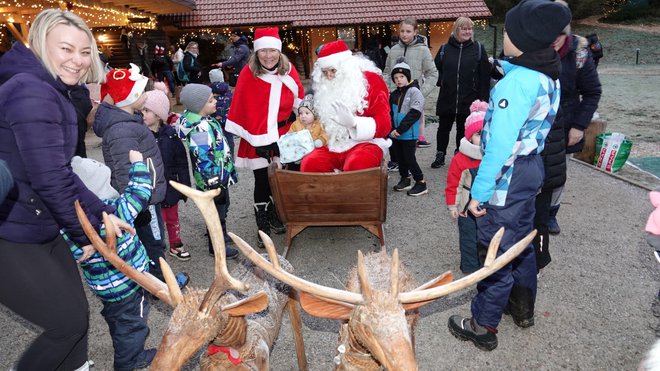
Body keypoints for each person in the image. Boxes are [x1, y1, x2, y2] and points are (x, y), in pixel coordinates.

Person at [0, 9, 131, 370]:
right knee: (65, 325)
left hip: (37, 221)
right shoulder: (32, 91)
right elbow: (50, 178)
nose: (77, 60)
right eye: (66, 49)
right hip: (11, 227)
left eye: (85, 51)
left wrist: (101, 214)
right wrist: (87, 231)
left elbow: (62, 171)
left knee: (76, 321)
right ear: (41, 44)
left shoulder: (49, 88)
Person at [447, 0, 572, 351]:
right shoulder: (546, 73)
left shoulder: (516, 85)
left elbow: (499, 148)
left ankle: (483, 324)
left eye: (510, 31)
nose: (504, 37)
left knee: (496, 250)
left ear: (523, 38)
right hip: (531, 169)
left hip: (508, 174)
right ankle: (522, 308)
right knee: (520, 242)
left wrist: (478, 194)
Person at [65, 152, 157, 370]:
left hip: (106, 289)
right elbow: (140, 191)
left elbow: (72, 250)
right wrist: (137, 164)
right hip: (131, 285)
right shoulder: (116, 212)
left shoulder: (70, 224)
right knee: (134, 326)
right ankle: (129, 361)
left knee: (120, 322)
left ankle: (128, 346)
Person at [94, 63, 174, 283]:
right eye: (141, 91)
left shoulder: (128, 122)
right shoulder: (123, 129)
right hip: (144, 200)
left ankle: (154, 277)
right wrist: (138, 205)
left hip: (146, 196)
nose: (146, 95)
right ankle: (161, 282)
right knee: (154, 241)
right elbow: (124, 170)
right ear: (131, 97)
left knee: (150, 239)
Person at [225, 27, 304, 247]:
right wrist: (255, 139)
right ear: (256, 53)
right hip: (257, 137)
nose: (268, 55)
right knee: (262, 180)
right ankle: (263, 223)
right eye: (263, 51)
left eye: (272, 51)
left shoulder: (289, 72)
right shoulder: (248, 76)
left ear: (279, 51)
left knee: (284, 178)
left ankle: (279, 213)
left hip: (285, 135)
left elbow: (300, 103)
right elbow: (242, 109)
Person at [546, 12, 602, 235]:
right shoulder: (532, 48)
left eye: (558, 33)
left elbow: (592, 92)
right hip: (536, 122)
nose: (553, 38)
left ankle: (551, 212)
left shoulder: (579, 54)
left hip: (567, 122)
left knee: (558, 171)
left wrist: (579, 126)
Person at [300, 40, 391, 173]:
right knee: (309, 163)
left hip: (366, 142)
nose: (329, 76)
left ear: (346, 67)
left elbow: (385, 124)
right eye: (325, 72)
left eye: (333, 70)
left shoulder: (371, 81)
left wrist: (354, 123)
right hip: (334, 144)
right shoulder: (325, 88)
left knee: (356, 165)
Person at [177, 83, 239, 258]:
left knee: (222, 205)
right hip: (213, 179)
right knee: (216, 210)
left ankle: (220, 234)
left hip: (218, 175)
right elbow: (203, 156)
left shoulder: (204, 121)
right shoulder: (200, 128)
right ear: (199, 106)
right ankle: (217, 245)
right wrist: (213, 180)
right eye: (211, 100)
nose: (216, 102)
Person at [432, 16, 491, 169]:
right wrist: (443, 82)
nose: (467, 31)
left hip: (469, 98)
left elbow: (485, 76)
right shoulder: (445, 49)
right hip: (448, 96)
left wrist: (483, 99)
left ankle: (460, 154)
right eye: (464, 28)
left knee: (463, 128)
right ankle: (440, 154)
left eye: (470, 28)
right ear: (456, 30)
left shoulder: (478, 49)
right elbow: (435, 69)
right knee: (443, 127)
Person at [142, 89, 192, 261]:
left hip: (170, 185)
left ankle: (175, 243)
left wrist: (184, 186)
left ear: (158, 115)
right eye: (141, 110)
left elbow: (181, 162)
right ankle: (155, 249)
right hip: (150, 187)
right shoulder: (139, 135)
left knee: (171, 217)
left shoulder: (171, 135)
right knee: (154, 220)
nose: (143, 114)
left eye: (147, 111)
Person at [444, 100, 487, 274]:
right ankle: (470, 266)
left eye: (486, 133)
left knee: (487, 235)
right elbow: (453, 184)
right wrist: (453, 206)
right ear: (469, 137)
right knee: (469, 236)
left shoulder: (493, 156)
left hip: (488, 204)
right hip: (466, 204)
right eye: (478, 134)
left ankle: (487, 263)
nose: (483, 138)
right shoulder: (460, 159)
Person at [384, 18, 438, 150]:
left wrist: (420, 93)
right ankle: (395, 161)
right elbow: (386, 72)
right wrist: (388, 90)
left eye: (408, 31)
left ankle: (408, 164)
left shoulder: (423, 50)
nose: (404, 34)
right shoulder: (394, 50)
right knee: (393, 129)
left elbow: (433, 73)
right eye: (402, 31)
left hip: (411, 100)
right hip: (394, 98)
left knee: (409, 135)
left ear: (415, 32)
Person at [389, 57, 428, 196]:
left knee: (409, 158)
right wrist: (392, 129)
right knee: (400, 158)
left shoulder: (414, 92)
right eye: (396, 77)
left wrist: (400, 130)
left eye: (402, 76)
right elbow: (390, 112)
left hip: (408, 133)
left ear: (408, 77)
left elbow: (414, 114)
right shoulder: (394, 94)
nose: (399, 79)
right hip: (396, 133)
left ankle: (421, 182)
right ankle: (405, 179)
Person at [281, 95, 328, 170]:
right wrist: (287, 138)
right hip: (299, 152)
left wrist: (321, 140)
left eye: (307, 113)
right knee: (293, 164)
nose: (303, 116)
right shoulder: (296, 124)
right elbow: (290, 133)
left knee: (314, 163)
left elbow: (325, 134)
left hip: (314, 152)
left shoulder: (319, 125)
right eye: (301, 113)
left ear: (314, 114)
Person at [210, 81, 235, 157]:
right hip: (228, 124)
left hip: (214, 125)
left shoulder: (212, 100)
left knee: (215, 142)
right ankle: (230, 158)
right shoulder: (229, 97)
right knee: (229, 141)